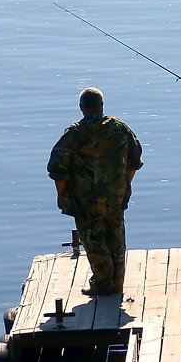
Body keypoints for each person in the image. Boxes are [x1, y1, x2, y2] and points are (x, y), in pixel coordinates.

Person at [47, 87, 144, 296]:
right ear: (101, 106)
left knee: (94, 240)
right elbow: (135, 160)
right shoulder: (120, 128)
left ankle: (102, 284)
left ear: (81, 108)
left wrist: (61, 194)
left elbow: (58, 168)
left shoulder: (73, 134)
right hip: (116, 196)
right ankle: (117, 284)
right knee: (117, 238)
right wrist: (125, 185)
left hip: (85, 200)